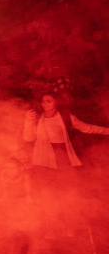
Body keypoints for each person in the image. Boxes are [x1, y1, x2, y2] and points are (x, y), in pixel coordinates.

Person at [23, 93, 109, 237]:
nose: (45, 104)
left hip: (64, 162)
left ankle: (70, 228)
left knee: (68, 195)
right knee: (48, 197)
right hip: (44, 163)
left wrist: (107, 131)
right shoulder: (37, 119)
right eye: (43, 101)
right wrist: (27, 122)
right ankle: (53, 230)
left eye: (49, 101)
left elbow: (88, 128)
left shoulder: (66, 117)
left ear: (57, 102)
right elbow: (28, 138)